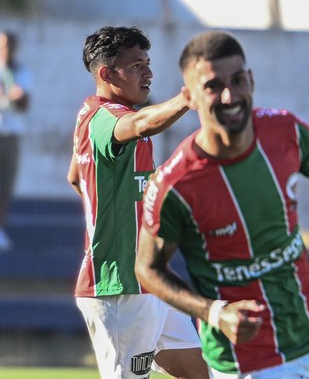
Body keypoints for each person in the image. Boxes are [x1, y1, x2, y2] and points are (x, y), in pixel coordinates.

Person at [134, 30, 309, 379]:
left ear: (250, 80)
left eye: (238, 80)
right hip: (244, 360)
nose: (230, 95)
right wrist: (213, 312)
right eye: (213, 86)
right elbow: (147, 269)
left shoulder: (284, 131)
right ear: (190, 97)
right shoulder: (175, 182)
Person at [68, 26, 208, 379]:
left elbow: (75, 177)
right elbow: (142, 124)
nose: (148, 72)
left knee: (201, 371)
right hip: (119, 288)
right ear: (106, 74)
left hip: (149, 281)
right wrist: (185, 100)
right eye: (135, 66)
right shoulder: (106, 117)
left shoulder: (94, 116)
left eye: (148, 63)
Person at [0, 30, 32, 252]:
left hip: (10, 136)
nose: (6, 50)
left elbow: (23, 104)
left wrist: (14, 98)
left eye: (10, 45)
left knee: (5, 185)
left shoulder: (22, 72)